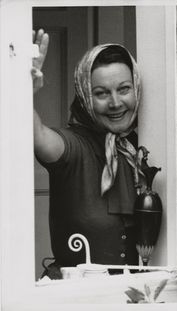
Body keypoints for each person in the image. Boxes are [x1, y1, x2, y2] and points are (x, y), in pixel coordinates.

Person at [32, 29, 144, 279]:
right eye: (101, 93)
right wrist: (23, 91)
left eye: (124, 89)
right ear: (84, 95)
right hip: (77, 298)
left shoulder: (146, 146)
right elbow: (37, 134)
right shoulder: (74, 147)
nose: (115, 103)